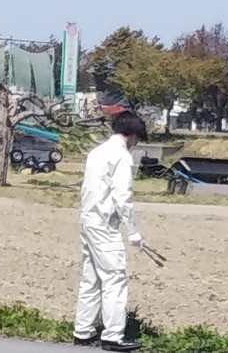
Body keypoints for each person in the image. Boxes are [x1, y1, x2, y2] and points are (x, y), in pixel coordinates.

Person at [73, 110, 149, 351]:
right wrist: (133, 231)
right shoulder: (121, 156)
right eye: (137, 139)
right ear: (132, 135)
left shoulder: (97, 152)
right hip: (105, 226)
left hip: (88, 220)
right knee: (115, 279)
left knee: (91, 278)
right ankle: (113, 336)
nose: (135, 143)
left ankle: (83, 332)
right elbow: (122, 196)